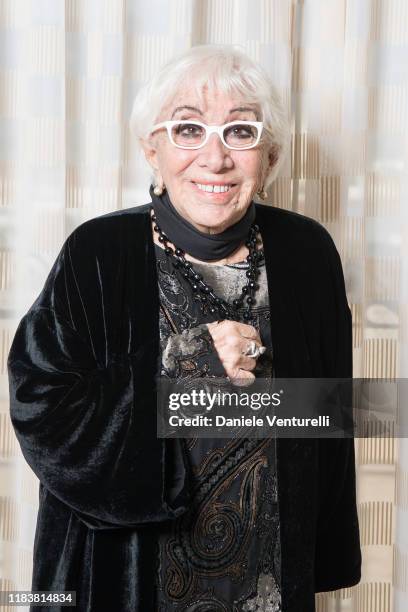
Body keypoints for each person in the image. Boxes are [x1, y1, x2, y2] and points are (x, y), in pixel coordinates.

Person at [7, 45, 361, 612]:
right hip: (125, 575)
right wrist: (189, 365)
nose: (215, 158)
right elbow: (42, 409)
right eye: (188, 129)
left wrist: (319, 561)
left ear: (268, 157)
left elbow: (328, 417)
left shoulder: (308, 252)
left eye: (241, 131)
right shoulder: (98, 252)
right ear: (152, 150)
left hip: (267, 580)